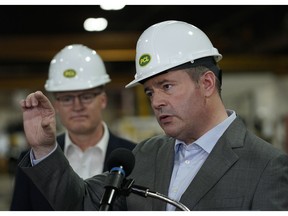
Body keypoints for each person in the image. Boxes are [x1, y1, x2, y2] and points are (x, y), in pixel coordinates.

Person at [18, 21, 288, 211]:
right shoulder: (145, 155)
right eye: (149, 92)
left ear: (206, 84)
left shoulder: (267, 166)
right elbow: (80, 202)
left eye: (166, 86)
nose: (156, 102)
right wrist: (45, 149)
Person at [10, 44, 136, 210]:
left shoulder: (135, 157)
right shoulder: (34, 161)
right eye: (67, 98)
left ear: (103, 100)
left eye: (86, 96)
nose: (77, 106)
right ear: (56, 105)